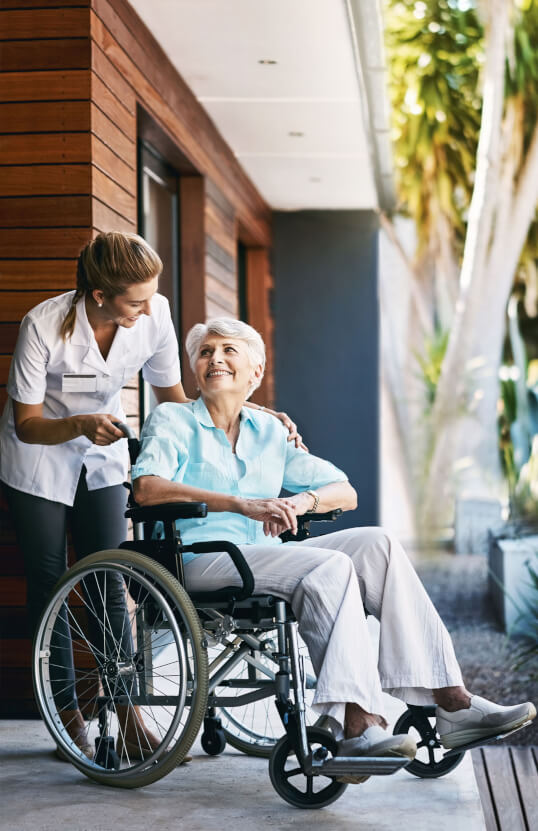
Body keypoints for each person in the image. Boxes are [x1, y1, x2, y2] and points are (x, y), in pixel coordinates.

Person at [131, 317, 536, 780]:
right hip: (197, 560)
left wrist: (303, 501)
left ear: (256, 372)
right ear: (194, 369)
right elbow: (146, 488)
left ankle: (452, 702)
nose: (215, 359)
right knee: (329, 567)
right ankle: (357, 724)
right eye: (205, 352)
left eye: (228, 351)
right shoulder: (174, 419)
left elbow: (344, 491)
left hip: (262, 557)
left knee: (378, 544)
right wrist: (241, 504)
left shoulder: (268, 431)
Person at [0, 234, 298, 761]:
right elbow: (26, 424)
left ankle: (127, 711)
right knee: (51, 584)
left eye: (151, 295)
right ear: (98, 295)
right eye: (134, 300)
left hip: (105, 455)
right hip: (40, 457)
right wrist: (76, 424)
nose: (149, 307)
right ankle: (65, 713)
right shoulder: (43, 325)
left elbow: (175, 402)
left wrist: (246, 411)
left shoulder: (153, 314)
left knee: (116, 576)